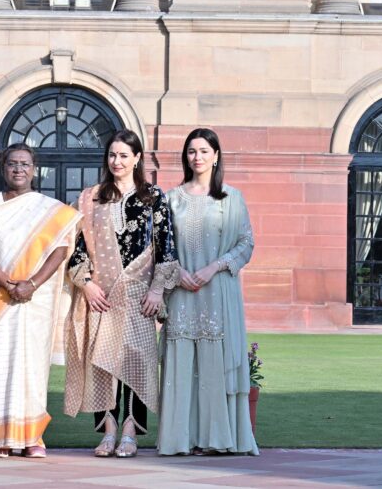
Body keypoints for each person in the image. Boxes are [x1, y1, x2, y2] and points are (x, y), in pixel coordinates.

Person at [64, 129, 178, 459]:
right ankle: (109, 431)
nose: (117, 161)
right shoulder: (91, 198)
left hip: (140, 295)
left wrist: (158, 290)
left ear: (137, 158)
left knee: (135, 361)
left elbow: (166, 247)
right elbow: (75, 246)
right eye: (112, 155)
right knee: (101, 363)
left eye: (124, 155)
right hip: (102, 294)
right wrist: (86, 284)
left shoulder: (153, 197)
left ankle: (130, 431)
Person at [0, 143, 82, 459]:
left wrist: (31, 284)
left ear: (35, 169)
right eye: (12, 164)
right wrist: (9, 284)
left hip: (36, 300)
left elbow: (61, 249)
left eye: (24, 164)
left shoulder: (48, 208)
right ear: (3, 169)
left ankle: (32, 438)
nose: (18, 169)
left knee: (32, 365)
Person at [157, 128, 258, 456]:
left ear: (215, 156)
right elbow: (159, 246)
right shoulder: (171, 199)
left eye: (203, 151)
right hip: (182, 292)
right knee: (183, 361)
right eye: (191, 151)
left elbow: (246, 243)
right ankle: (180, 440)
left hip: (219, 292)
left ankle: (217, 439)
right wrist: (178, 272)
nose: (197, 157)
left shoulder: (232, 198)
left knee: (214, 363)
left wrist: (213, 267)